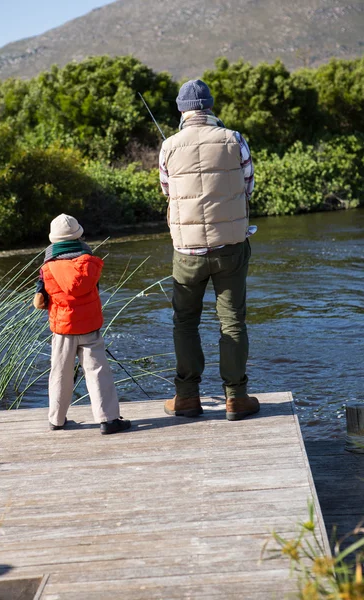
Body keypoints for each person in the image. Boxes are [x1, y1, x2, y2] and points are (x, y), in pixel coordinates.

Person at [159, 79, 259, 421]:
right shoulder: (234, 138)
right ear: (210, 106)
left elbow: (166, 190)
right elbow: (249, 184)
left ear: (182, 110)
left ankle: (186, 398)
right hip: (230, 246)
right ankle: (236, 398)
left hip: (187, 252)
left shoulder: (168, 146)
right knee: (232, 323)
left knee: (184, 323)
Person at [33, 213, 131, 435]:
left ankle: (56, 419)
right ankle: (108, 420)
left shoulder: (47, 269)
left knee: (60, 373)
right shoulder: (90, 264)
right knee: (98, 372)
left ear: (54, 239)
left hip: (62, 329)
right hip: (89, 328)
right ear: (78, 235)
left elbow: (39, 302)